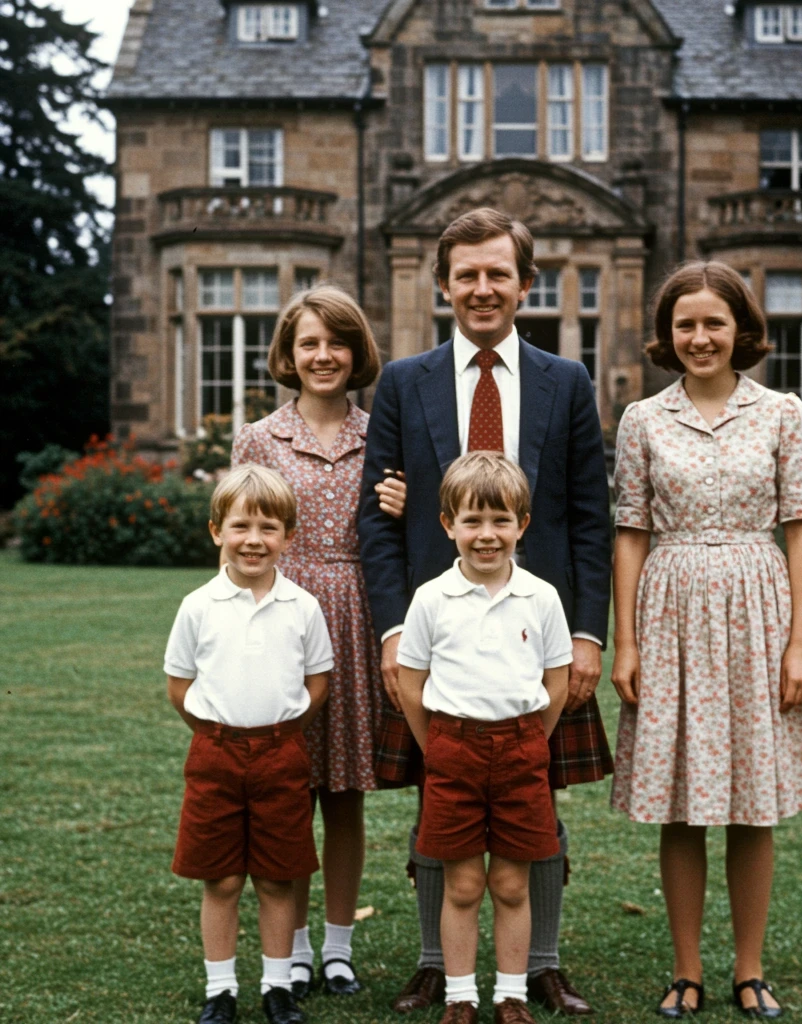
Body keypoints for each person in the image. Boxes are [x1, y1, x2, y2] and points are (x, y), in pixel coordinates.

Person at [359, 208, 612, 1016]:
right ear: (443, 284)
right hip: (439, 632)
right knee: (442, 799)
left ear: (525, 284)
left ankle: (541, 965)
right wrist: (397, 630)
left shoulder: (566, 380)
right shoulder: (403, 380)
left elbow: (586, 518)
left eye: (497, 273)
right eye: (465, 274)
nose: (481, 288)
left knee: (535, 800)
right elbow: (378, 516)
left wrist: (585, 634)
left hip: (538, 630)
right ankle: (439, 964)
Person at [610, 261, 802, 1019]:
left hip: (758, 609)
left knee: (753, 802)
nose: (700, 337)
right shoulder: (643, 420)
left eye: (714, 323)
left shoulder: (781, 412)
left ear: (741, 330)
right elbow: (630, 536)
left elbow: (801, 531)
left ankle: (749, 969)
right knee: (681, 802)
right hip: (670, 609)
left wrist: (800, 643)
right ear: (667, 335)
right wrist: (627, 642)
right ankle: (687, 971)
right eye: (686, 325)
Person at [231, 285, 405, 1000]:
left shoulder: (383, 434)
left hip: (357, 614)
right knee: (284, 790)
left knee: (344, 793)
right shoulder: (260, 438)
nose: (323, 355)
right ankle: (292, 947)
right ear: (289, 354)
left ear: (356, 351)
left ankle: (338, 947)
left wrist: (404, 504)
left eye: (337, 342)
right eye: (309, 343)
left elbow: (408, 532)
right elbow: (242, 538)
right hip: (282, 617)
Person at [396, 452, 572, 1024]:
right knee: (465, 884)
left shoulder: (541, 597)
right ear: (448, 524)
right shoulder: (430, 598)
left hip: (522, 749)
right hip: (452, 749)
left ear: (523, 524)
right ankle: (460, 997)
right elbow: (410, 683)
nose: (486, 535)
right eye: (472, 521)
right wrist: (439, 746)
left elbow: (557, 681)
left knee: (511, 883)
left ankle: (511, 995)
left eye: (500, 521)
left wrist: (530, 742)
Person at [165, 464, 333, 1024]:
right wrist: (219, 734)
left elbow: (317, 684)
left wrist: (276, 734)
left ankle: (277, 986)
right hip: (215, 754)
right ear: (217, 532)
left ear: (288, 535)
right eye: (240, 527)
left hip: (281, 754)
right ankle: (221, 990)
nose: (254, 540)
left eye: (268, 528)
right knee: (223, 876)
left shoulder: (303, 607)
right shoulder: (198, 606)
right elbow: (180, 686)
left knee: (278, 874)